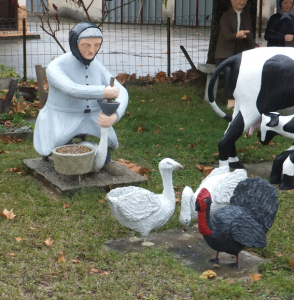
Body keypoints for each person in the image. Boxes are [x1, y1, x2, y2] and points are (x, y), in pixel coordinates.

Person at [33, 22, 128, 176]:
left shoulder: (97, 66)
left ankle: (105, 161)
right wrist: (103, 91)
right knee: (61, 138)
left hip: (92, 115)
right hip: (63, 115)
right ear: (75, 43)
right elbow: (71, 89)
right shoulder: (55, 67)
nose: (92, 50)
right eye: (86, 45)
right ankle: (67, 160)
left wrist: (115, 116)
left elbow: (122, 91)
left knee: (107, 137)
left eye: (97, 45)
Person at [214, 0, 259, 109]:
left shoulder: (246, 16)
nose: (242, 1)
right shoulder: (226, 16)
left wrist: (255, 46)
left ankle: (247, 99)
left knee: (248, 71)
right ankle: (231, 100)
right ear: (232, 1)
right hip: (223, 55)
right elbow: (228, 36)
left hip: (239, 56)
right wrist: (237, 35)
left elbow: (249, 37)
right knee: (231, 71)